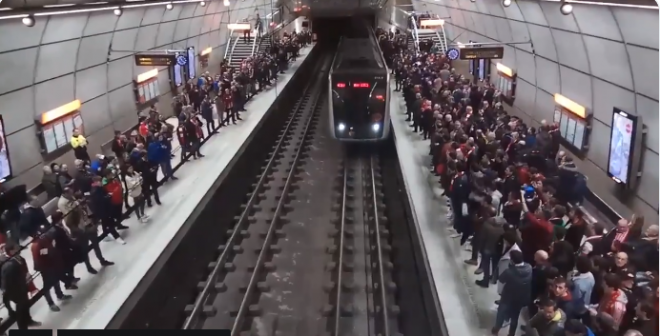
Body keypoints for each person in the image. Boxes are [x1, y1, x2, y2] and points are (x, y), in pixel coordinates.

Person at [30, 224, 72, 312]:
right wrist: (52, 249)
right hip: (45, 268)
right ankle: (50, 303)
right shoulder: (36, 245)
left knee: (56, 281)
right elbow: (43, 254)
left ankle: (59, 295)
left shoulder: (45, 239)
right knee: (47, 287)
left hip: (51, 265)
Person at [1, 242, 41, 329]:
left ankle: (28, 320)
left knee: (26, 307)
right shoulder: (9, 265)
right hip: (16, 291)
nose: (18, 249)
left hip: (23, 287)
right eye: (15, 248)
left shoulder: (19, 259)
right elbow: (7, 282)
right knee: (21, 312)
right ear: (11, 251)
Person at [492, 249, 531, 336]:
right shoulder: (529, 268)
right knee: (515, 316)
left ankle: (496, 329)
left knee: (501, 312)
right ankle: (511, 333)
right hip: (521, 297)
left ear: (512, 260)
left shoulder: (510, 272)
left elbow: (501, 279)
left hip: (508, 297)